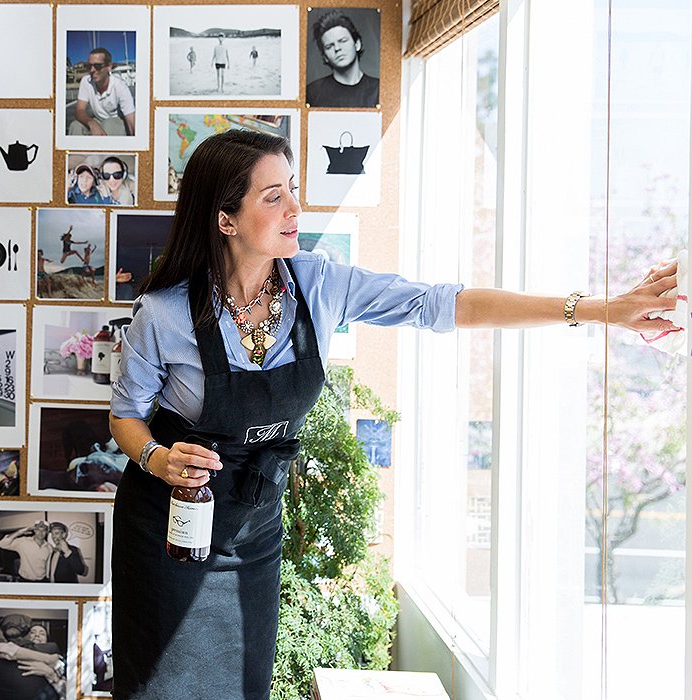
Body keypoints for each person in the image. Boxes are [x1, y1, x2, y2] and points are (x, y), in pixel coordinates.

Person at [106, 129, 677, 699]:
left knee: (242, 686)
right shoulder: (165, 315)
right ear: (225, 219)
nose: (295, 208)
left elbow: (443, 304)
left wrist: (600, 310)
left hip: (254, 530)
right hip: (170, 529)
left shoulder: (319, 284)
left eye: (294, 189)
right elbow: (125, 416)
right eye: (273, 196)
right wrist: (156, 457)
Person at [306, 11, 381, 108]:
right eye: (329, 46)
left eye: (343, 41)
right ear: (325, 57)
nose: (337, 48)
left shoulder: (378, 89)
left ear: (357, 44)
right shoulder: (312, 92)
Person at [0, 613, 66, 700]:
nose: (37, 635)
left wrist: (52, 674)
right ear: (27, 635)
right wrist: (47, 658)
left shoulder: (56, 654)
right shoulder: (50, 650)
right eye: (32, 632)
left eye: (42, 634)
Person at [69, 48, 136, 137]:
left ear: (109, 67)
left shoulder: (120, 86)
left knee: (109, 125)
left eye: (98, 66)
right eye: (89, 66)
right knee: (75, 126)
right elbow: (79, 110)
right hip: (98, 120)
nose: (92, 70)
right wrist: (92, 123)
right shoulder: (86, 81)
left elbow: (131, 121)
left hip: (116, 121)